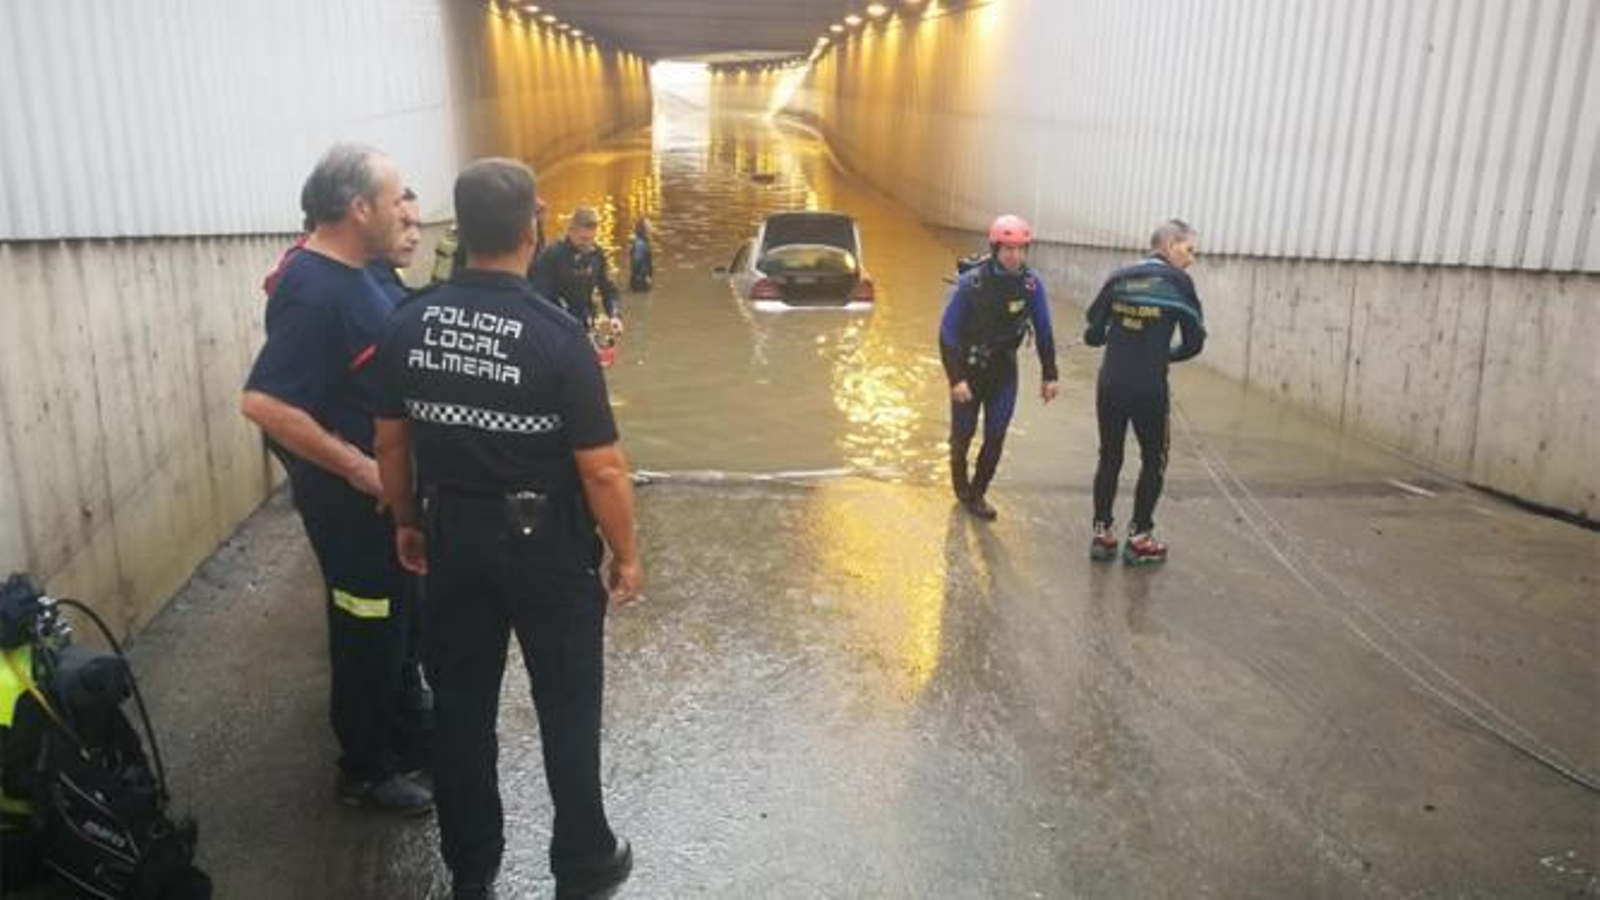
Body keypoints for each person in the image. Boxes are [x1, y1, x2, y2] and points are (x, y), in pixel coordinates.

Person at [373, 158, 642, 900]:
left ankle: (472, 868)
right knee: (566, 707)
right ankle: (583, 859)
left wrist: (405, 522)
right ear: (535, 227)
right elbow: (604, 472)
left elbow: (392, 445)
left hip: (451, 537)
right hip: (547, 549)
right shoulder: (558, 340)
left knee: (461, 712)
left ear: (460, 229)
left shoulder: (408, 322)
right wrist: (626, 554)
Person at [240, 144, 433, 814]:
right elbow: (263, 403)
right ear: (359, 209)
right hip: (355, 510)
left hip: (385, 503)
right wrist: (361, 469)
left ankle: (408, 728)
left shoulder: (351, 273)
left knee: (399, 617)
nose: (407, 208)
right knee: (366, 625)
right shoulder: (318, 292)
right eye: (397, 198)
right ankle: (365, 767)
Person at [1082, 218, 1206, 565]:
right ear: (1169, 245)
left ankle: (1102, 535)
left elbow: (1093, 331)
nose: (1192, 259)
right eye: (1189, 249)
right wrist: (1164, 354)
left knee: (1109, 457)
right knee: (1154, 460)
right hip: (1149, 388)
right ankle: (1139, 538)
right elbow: (1195, 341)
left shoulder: (1119, 277)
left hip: (1110, 384)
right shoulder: (1179, 283)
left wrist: (1117, 335)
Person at [938, 213, 1060, 520]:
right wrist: (956, 380)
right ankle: (960, 486)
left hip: (1004, 372)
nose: (1015, 256)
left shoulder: (1031, 286)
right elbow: (947, 334)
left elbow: (1044, 331)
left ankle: (978, 494)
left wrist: (1050, 375)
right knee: (962, 435)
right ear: (995, 249)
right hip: (969, 370)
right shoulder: (971, 284)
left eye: (1021, 249)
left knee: (996, 436)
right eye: (1008, 249)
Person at [529, 206, 623, 337]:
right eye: (583, 239)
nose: (587, 245)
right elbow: (538, 296)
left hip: (586, 322)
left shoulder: (596, 254)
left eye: (591, 239)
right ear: (570, 231)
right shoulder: (552, 255)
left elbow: (607, 288)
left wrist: (614, 315)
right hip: (556, 325)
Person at [627, 217, 653, 291]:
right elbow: (636, 262)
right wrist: (645, 276)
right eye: (649, 224)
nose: (651, 226)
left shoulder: (643, 241)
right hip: (640, 281)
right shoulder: (640, 243)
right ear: (644, 228)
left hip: (639, 280)